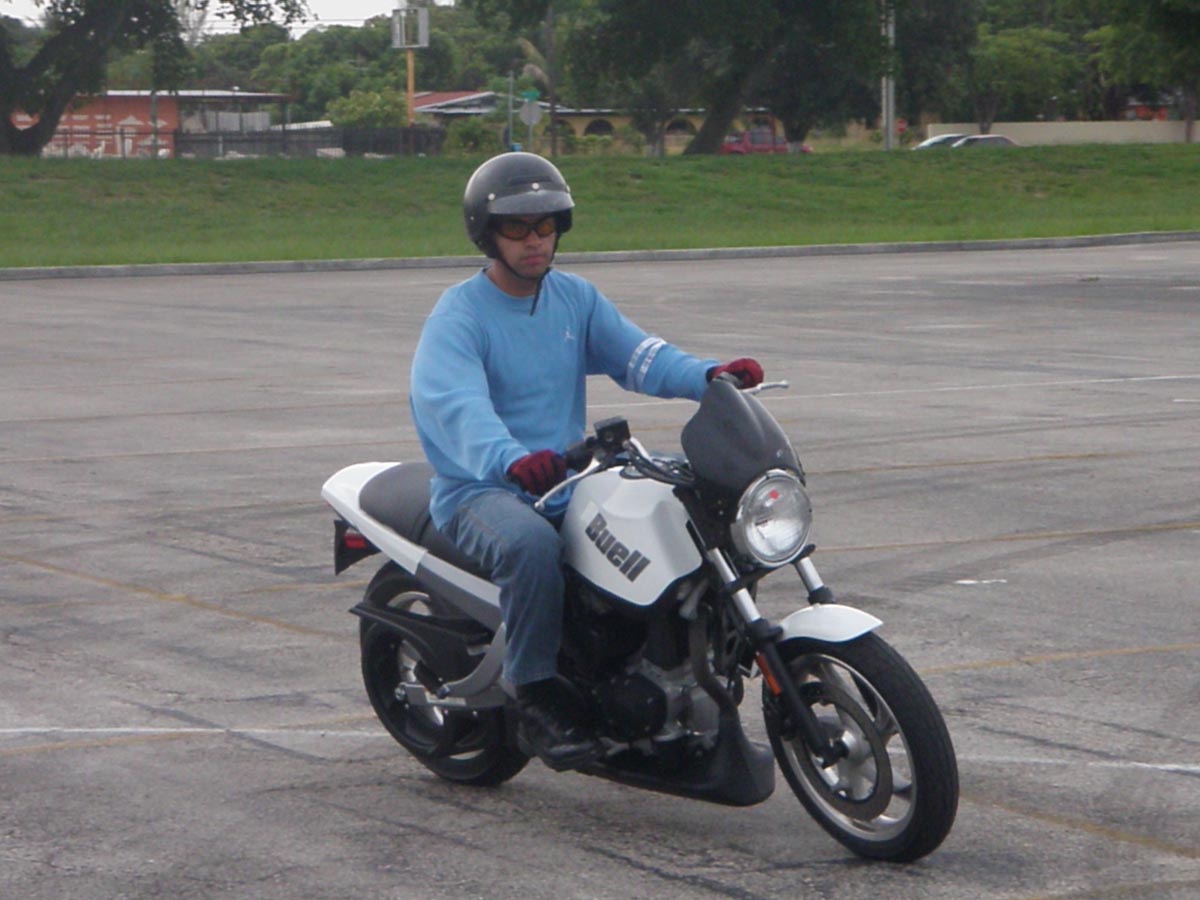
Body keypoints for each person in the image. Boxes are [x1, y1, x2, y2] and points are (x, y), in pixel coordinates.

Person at [409, 152, 763, 771]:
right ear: (487, 234)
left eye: (545, 226)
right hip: (483, 489)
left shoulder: (574, 298)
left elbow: (641, 356)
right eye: (517, 228)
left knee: (689, 504)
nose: (534, 241)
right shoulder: (460, 316)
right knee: (529, 547)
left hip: (567, 477)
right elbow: (456, 406)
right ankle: (535, 693)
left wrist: (711, 376)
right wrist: (512, 460)